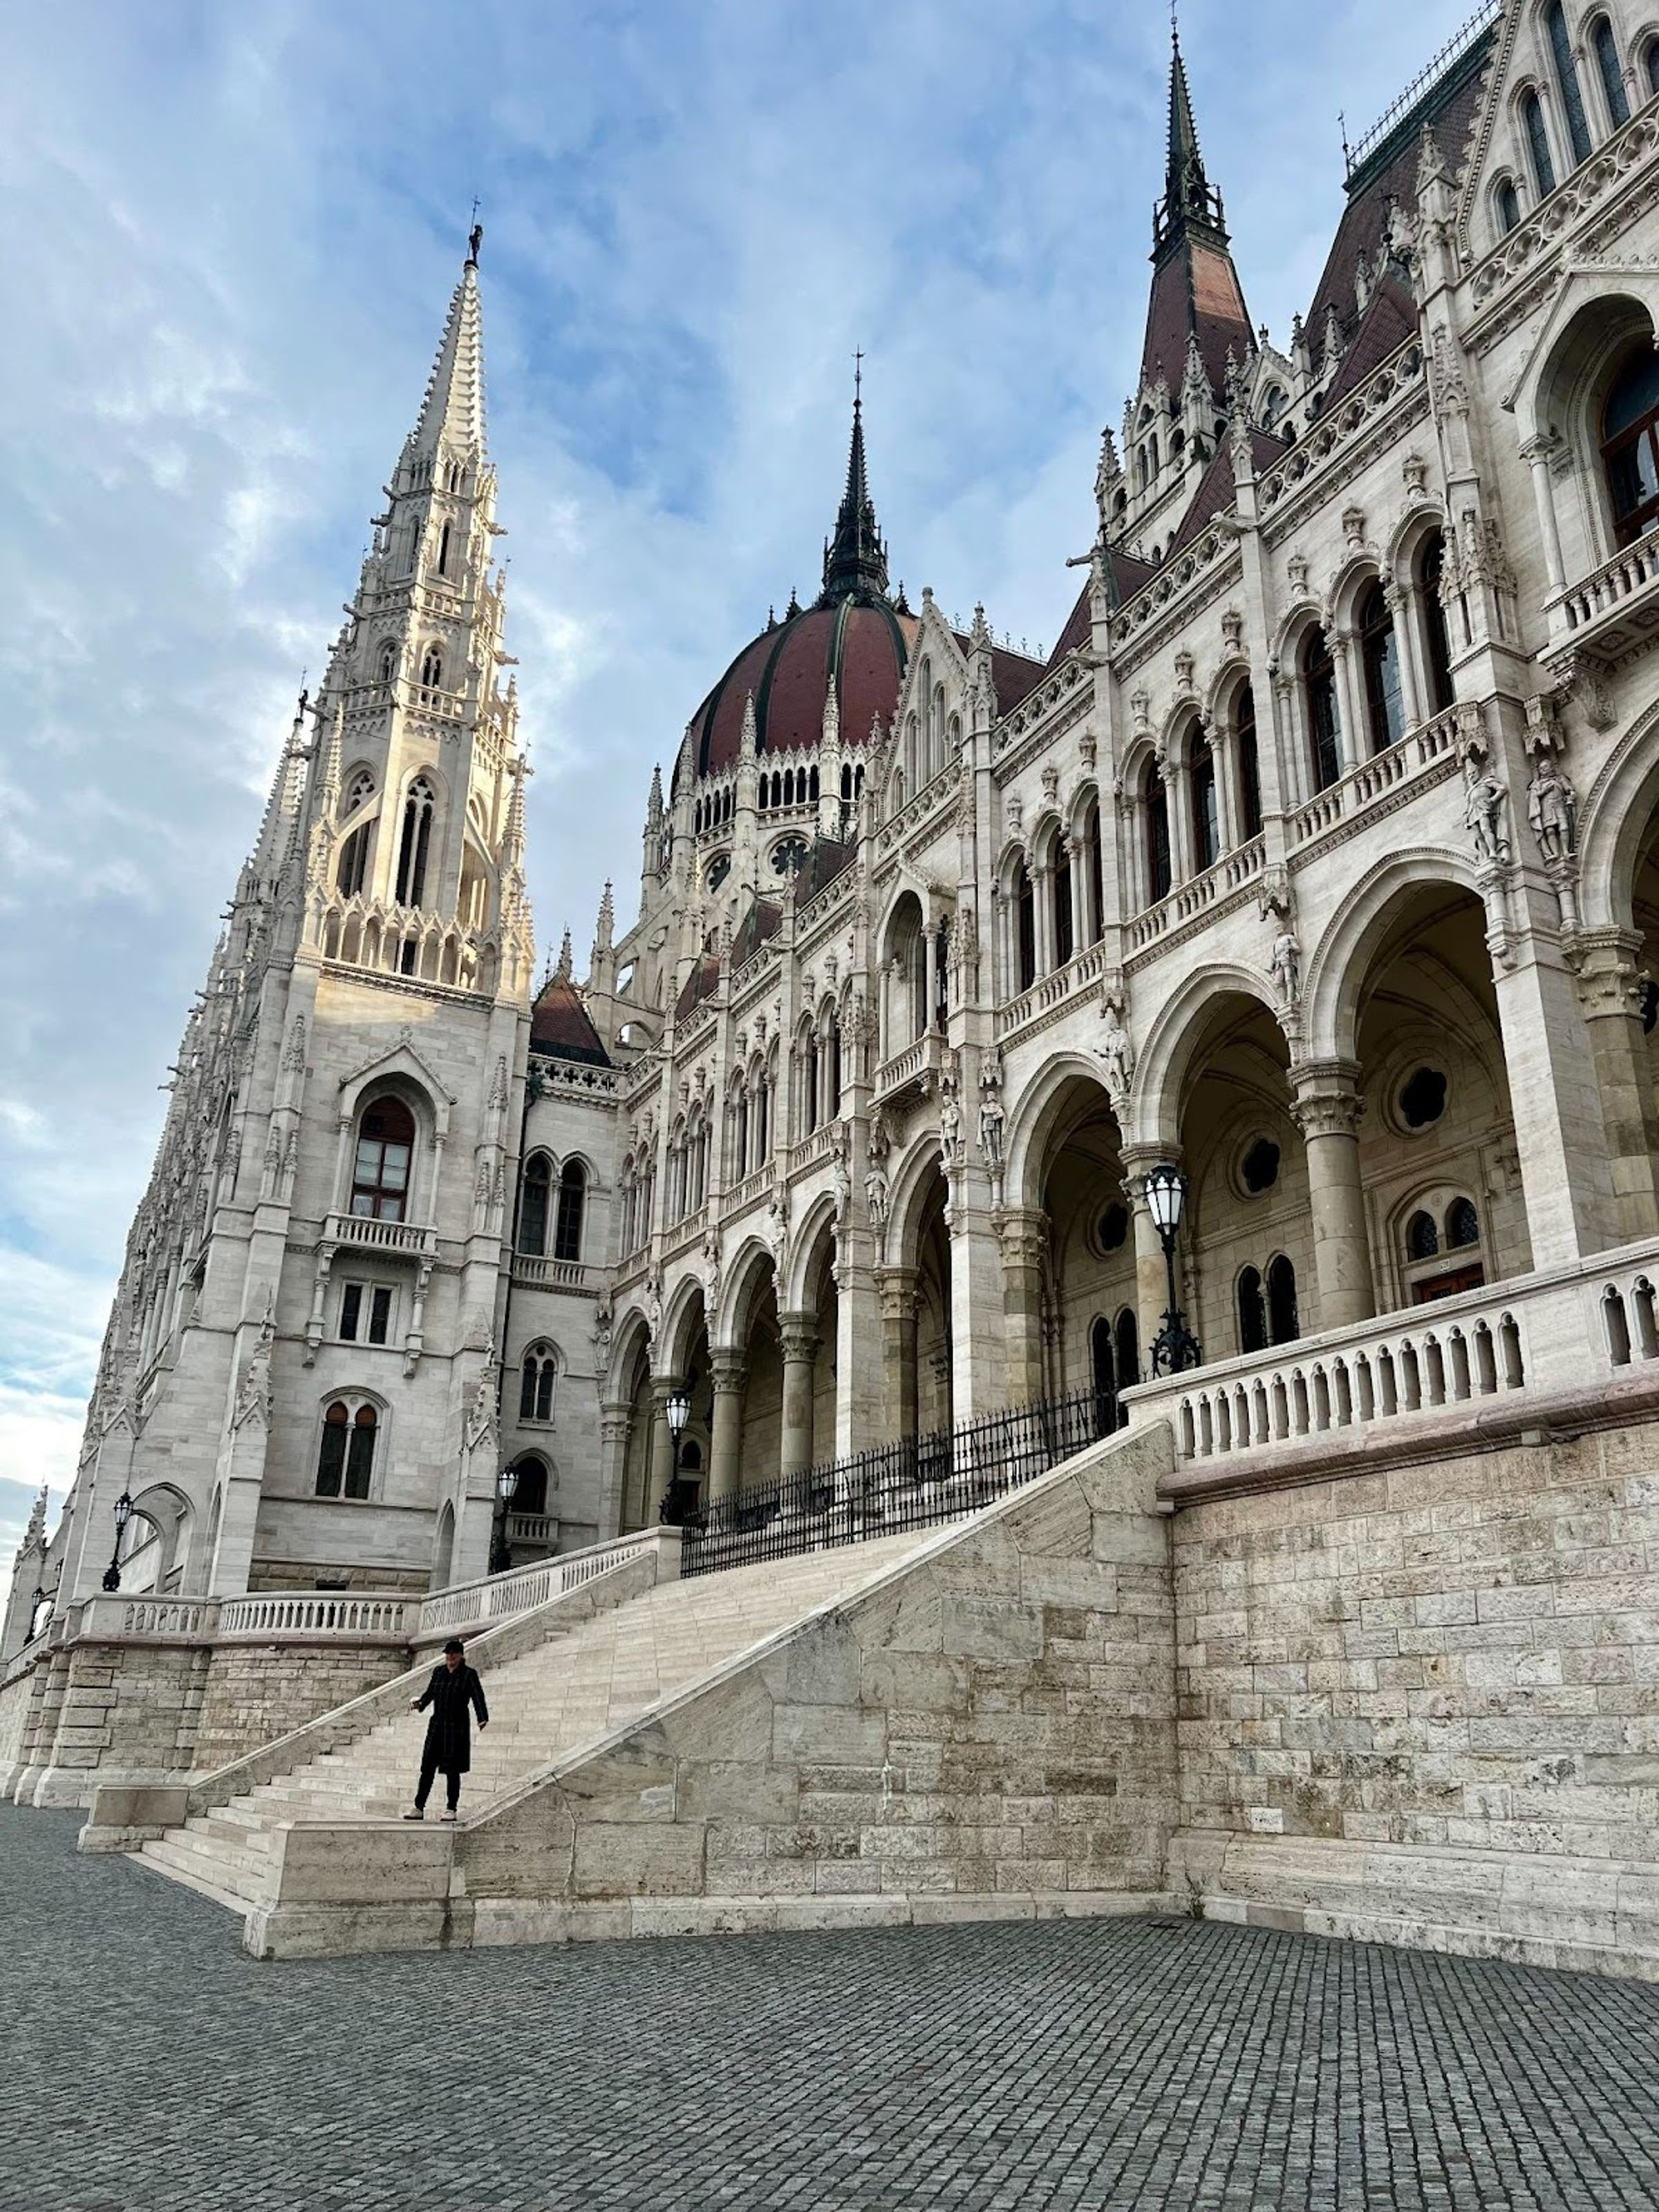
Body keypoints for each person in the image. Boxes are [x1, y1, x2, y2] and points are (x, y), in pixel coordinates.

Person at [404, 1638, 488, 1822]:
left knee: (453, 1769)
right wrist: (420, 1704)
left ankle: (451, 1808)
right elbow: (430, 1693)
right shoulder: (439, 1672)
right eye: (448, 1654)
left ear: (460, 1655)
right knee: (427, 1767)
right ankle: (418, 1806)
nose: (450, 1657)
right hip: (437, 1725)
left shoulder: (468, 1674)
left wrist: (482, 1717)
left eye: (453, 1654)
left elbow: (477, 1696)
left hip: (456, 1727)